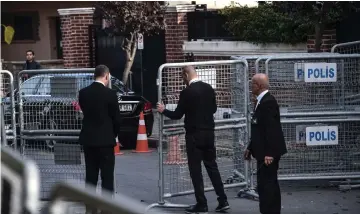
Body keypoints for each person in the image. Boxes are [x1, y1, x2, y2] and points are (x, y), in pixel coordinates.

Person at [157, 66, 229, 214]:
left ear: (186, 75)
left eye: (182, 77)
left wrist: (163, 110)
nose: (182, 80)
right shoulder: (209, 88)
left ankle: (202, 204)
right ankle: (223, 200)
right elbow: (214, 109)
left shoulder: (187, 92)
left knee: (195, 171)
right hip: (209, 133)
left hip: (194, 136)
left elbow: (177, 114)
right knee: (212, 167)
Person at [78, 65, 121, 213]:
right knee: (107, 178)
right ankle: (106, 209)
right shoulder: (110, 94)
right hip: (106, 141)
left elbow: (86, 112)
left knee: (90, 176)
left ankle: (90, 209)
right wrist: (113, 134)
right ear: (107, 76)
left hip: (89, 140)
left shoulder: (83, 93)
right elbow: (116, 119)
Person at [244, 73, 287, 214]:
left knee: (267, 184)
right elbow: (259, 129)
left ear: (260, 85)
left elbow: (271, 129)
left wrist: (269, 153)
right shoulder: (261, 101)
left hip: (268, 153)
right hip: (263, 150)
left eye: (253, 84)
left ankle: (270, 211)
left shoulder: (268, 102)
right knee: (266, 184)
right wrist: (250, 147)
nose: (251, 87)